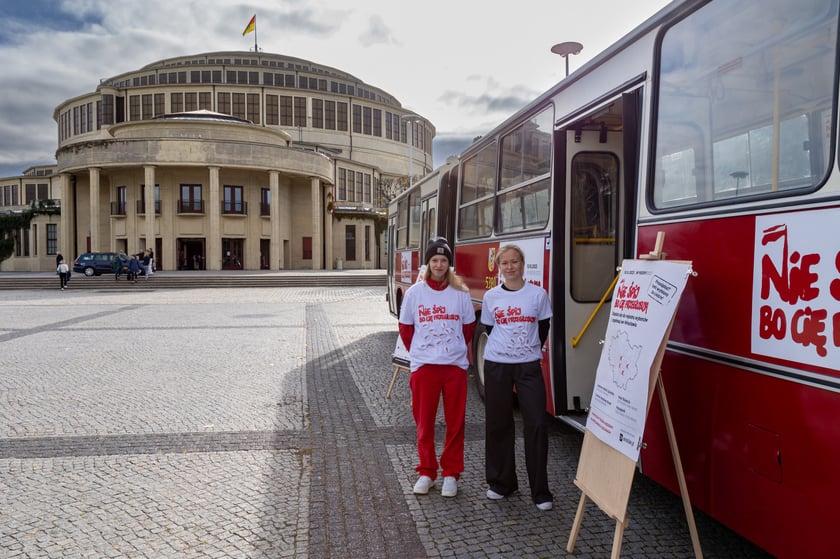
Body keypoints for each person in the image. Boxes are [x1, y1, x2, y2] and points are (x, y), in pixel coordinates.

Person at [398, 238, 475, 498]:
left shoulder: (461, 292)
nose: (439, 264)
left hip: (453, 367)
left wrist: (449, 350)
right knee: (424, 423)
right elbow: (406, 329)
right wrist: (424, 352)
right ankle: (427, 471)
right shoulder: (414, 293)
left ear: (448, 264)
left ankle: (451, 473)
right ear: (428, 264)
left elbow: (468, 328)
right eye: (435, 260)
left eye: (443, 260)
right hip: (424, 367)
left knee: (455, 423)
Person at [480, 244, 554, 511]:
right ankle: (502, 483)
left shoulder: (537, 294)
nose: (510, 267)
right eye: (504, 263)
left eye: (514, 262)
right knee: (498, 424)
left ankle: (540, 490)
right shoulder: (491, 297)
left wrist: (527, 349)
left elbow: (543, 326)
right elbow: (489, 327)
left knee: (535, 424)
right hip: (497, 364)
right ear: (499, 268)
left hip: (528, 367)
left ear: (523, 264)